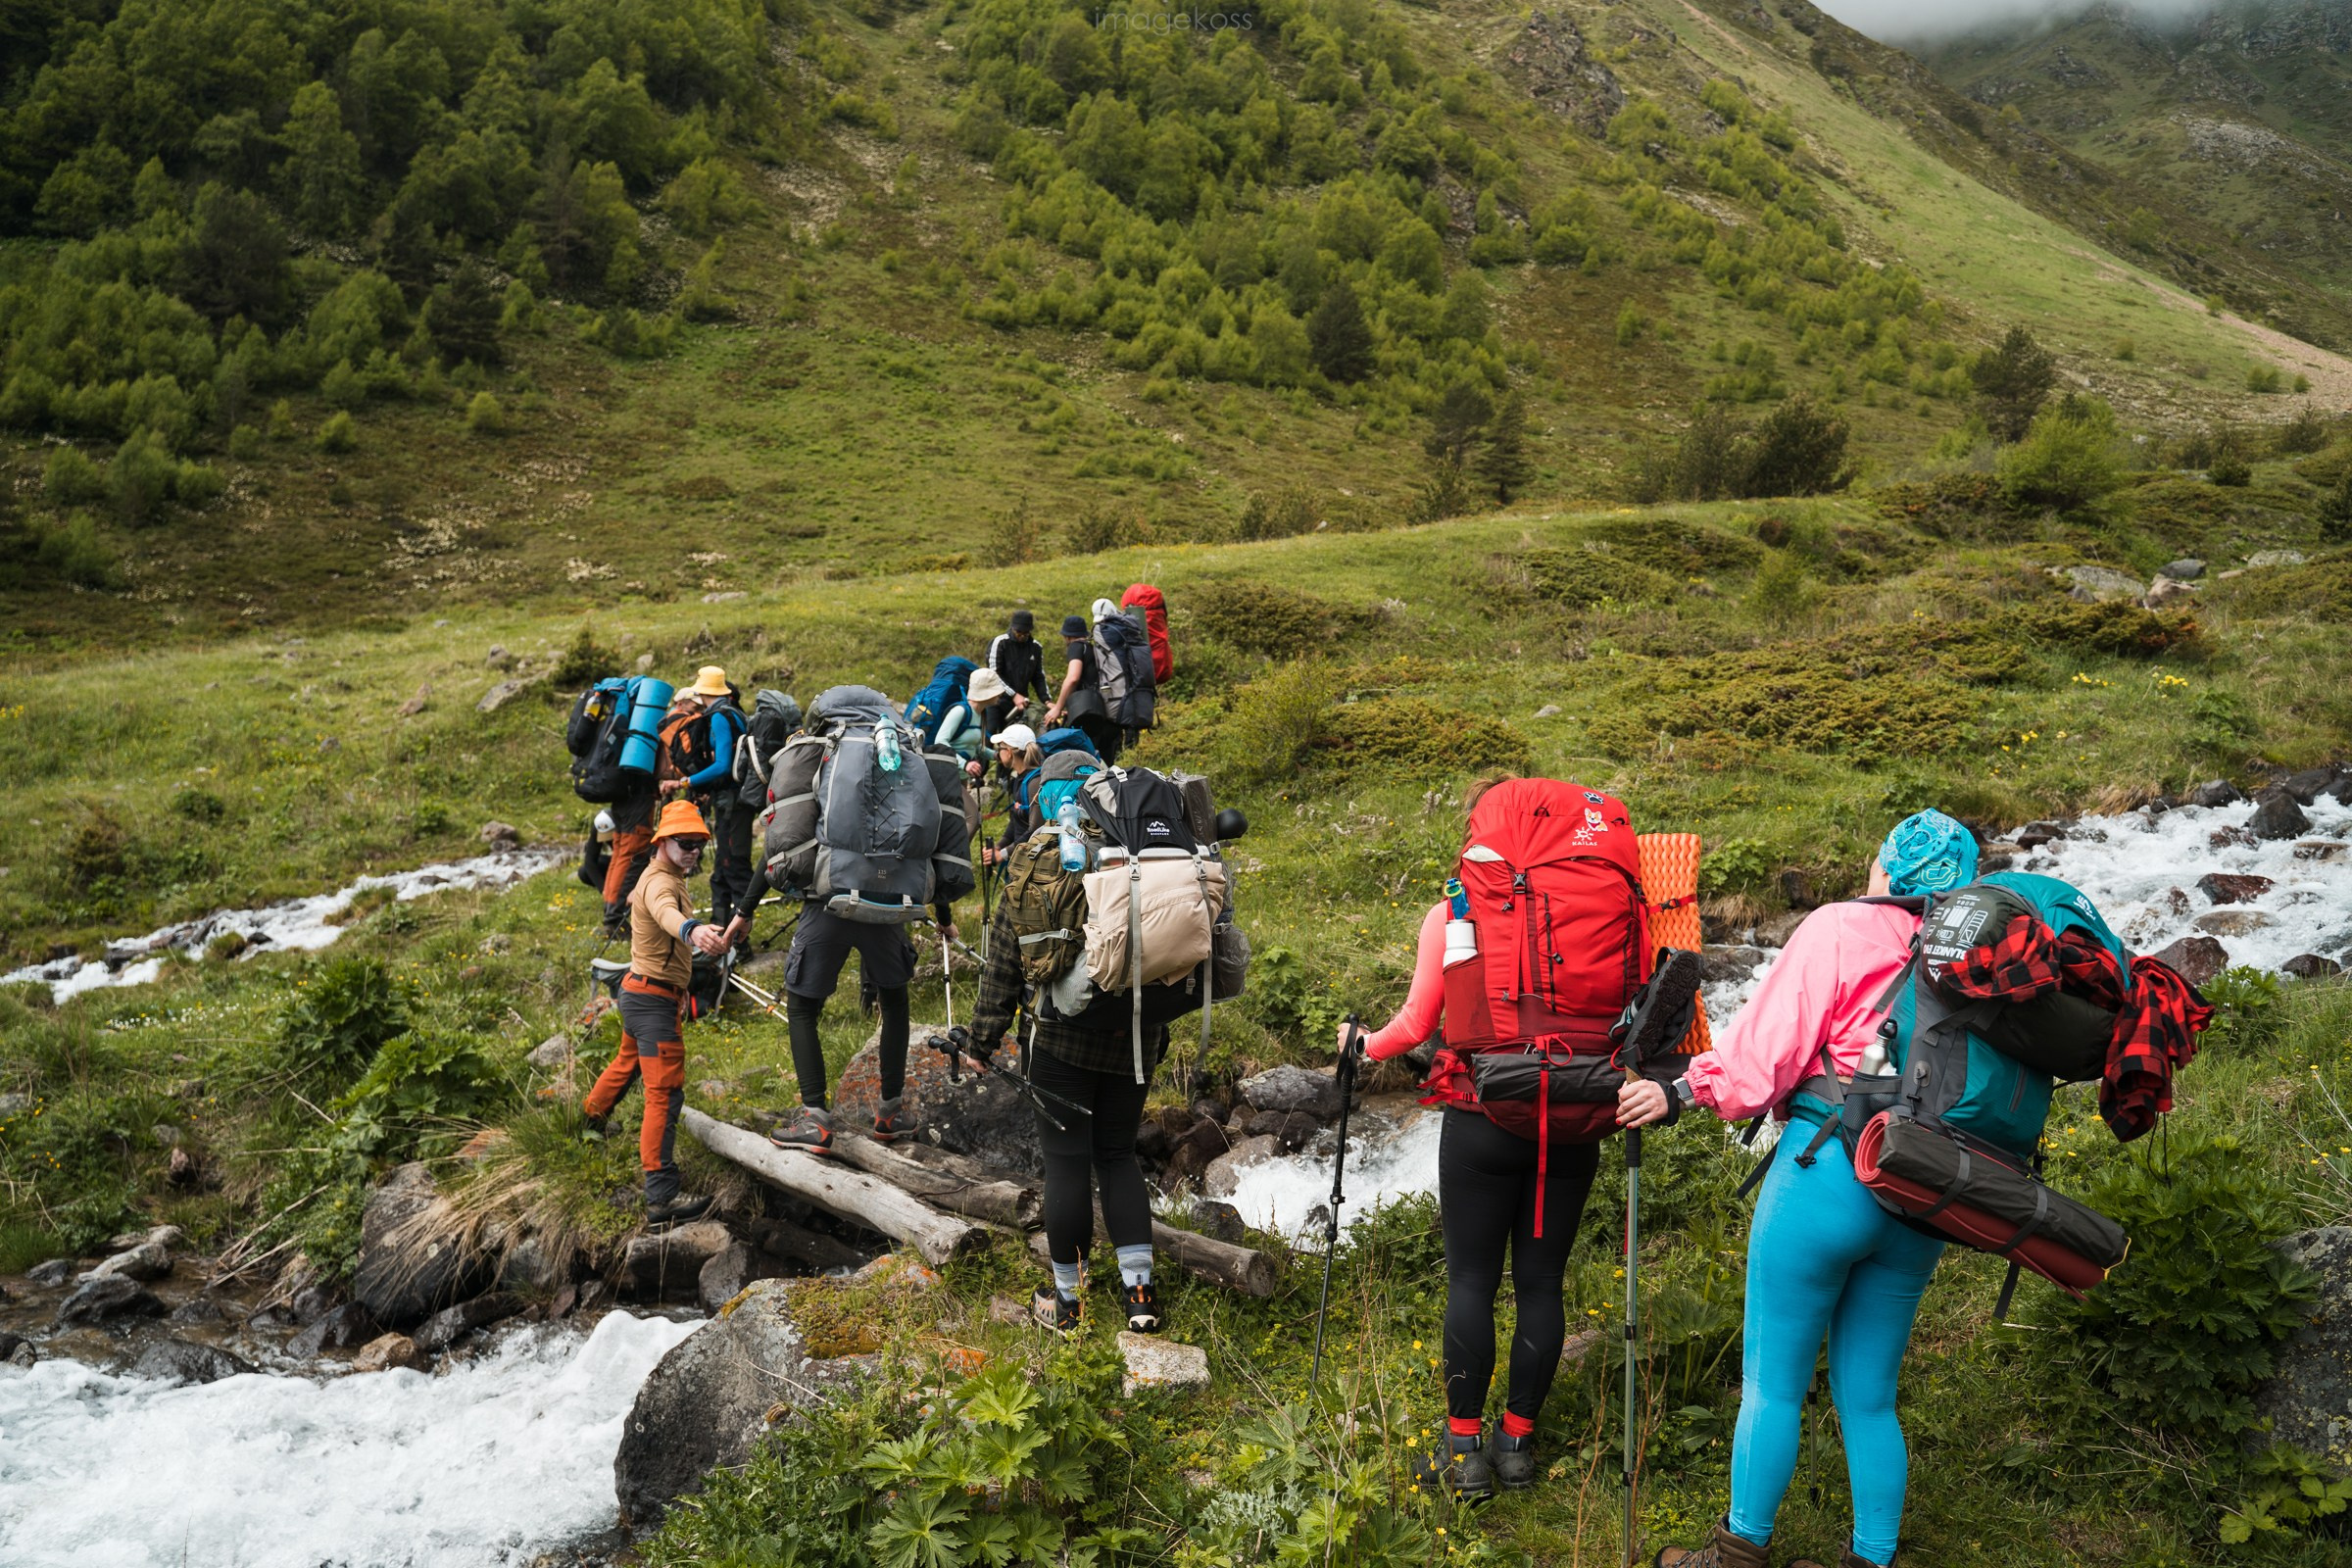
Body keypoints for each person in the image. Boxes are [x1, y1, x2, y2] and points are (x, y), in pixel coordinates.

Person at [1624, 809, 1981, 1568]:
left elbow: (1764, 1059)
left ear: (1889, 869)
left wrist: (1683, 1091)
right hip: (1924, 1189)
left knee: (1774, 1383)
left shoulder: (1842, 927)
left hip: (1826, 1173)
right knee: (1873, 1398)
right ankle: (1871, 1559)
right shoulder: (1981, 955)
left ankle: (1737, 1554)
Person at [1346, 776, 1611, 1497]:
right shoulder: (1596, 902)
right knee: (1542, 1284)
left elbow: (1415, 1027)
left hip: (1482, 1114)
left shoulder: (1456, 910)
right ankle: (1517, 1445)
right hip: (1574, 1115)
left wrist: (1360, 1044)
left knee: (1470, 1280)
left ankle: (1463, 1453)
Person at [965, 855, 1164, 1337]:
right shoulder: (1145, 854)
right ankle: (1140, 1299)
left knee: (1067, 1164)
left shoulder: (1037, 861)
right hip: (1137, 1036)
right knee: (1118, 1156)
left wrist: (981, 1041)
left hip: (1059, 1041)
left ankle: (1069, 1305)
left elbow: (1004, 962)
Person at [720, 860, 956, 1154]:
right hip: (887, 907)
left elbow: (780, 846)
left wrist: (745, 911)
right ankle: (891, 1112)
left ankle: (815, 1119)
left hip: (827, 904)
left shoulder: (826, 808)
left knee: (802, 1009)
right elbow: (930, 855)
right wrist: (944, 917)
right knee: (895, 1002)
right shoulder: (906, 809)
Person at [583, 800, 732, 1226]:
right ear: (662, 842)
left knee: (627, 1062)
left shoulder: (663, 874)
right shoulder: (660, 884)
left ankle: (590, 1122)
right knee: (664, 1093)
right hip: (652, 1001)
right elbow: (666, 913)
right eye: (685, 843)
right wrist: (693, 930)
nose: (693, 851)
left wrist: (702, 929)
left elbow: (655, 906)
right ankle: (661, 1198)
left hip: (639, 993)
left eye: (699, 844)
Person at [659, 667, 749, 929]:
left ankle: (738, 937)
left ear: (702, 691)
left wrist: (685, 781)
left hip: (730, 800)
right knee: (722, 868)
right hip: (735, 799)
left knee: (733, 865)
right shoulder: (734, 712)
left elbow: (722, 764)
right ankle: (721, 930)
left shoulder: (720, 716)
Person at [1042, 612, 1120, 764]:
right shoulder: (1095, 649)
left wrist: (1058, 707)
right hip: (1105, 713)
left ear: (1068, 636)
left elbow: (1073, 678)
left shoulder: (1076, 647)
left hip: (1087, 715)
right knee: (1104, 764)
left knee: (1084, 761)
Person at [981, 723, 1039, 871]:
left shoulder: (1034, 783)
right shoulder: (1019, 780)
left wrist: (1004, 854)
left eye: (999, 748)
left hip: (1033, 865)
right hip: (1020, 861)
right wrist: (998, 847)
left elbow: (1036, 829)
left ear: (1009, 752)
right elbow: (1016, 821)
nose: (998, 753)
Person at [983, 610, 1050, 735]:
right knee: (989, 734)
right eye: (1019, 632)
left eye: (1026, 633)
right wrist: (1013, 695)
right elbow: (994, 674)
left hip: (1019, 704)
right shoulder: (1000, 642)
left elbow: (1039, 676)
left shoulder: (1036, 648)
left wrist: (1047, 700)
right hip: (996, 700)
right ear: (1012, 628)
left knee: (1012, 739)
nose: (1022, 636)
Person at [938, 667, 1005, 768]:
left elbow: (975, 747)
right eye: (996, 690)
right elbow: (940, 742)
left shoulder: (981, 714)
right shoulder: (959, 711)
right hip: (947, 776)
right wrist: (964, 764)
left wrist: (996, 755)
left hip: (962, 776)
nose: (1000, 694)